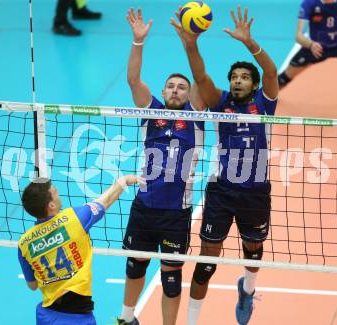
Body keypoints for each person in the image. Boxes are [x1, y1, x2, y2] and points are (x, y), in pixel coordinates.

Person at [172, 5, 278, 325]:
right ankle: (191, 321)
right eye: (234, 77)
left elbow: (272, 73)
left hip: (256, 191)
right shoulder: (220, 104)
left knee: (254, 248)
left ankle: (247, 290)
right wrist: (191, 45)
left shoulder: (265, 104)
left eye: (244, 77)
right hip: (222, 190)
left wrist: (250, 43)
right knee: (206, 262)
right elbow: (201, 76)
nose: (237, 81)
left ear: (255, 85)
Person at [117, 7, 206, 325]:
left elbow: (199, 79)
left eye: (181, 87)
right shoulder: (150, 110)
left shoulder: (197, 116)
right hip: (144, 207)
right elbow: (132, 79)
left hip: (175, 215)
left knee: (171, 277)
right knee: (135, 266)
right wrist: (138, 42)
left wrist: (190, 44)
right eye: (171, 86)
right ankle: (127, 318)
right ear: (163, 90)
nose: (176, 90)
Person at [18, 175, 141, 325]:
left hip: (46, 317)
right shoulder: (74, 218)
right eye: (53, 190)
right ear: (51, 205)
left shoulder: (24, 243)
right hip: (78, 318)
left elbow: (32, 285)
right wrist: (124, 181)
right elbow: (106, 200)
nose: (56, 190)